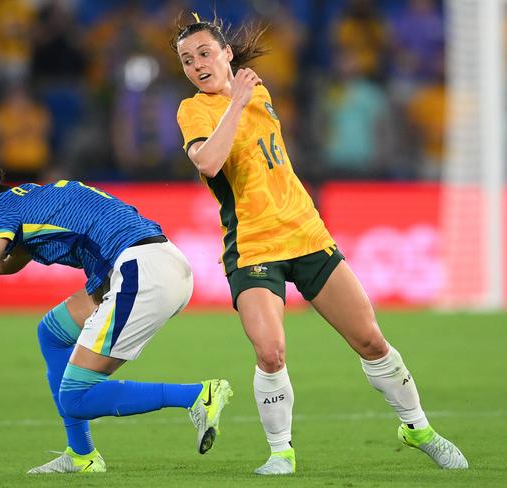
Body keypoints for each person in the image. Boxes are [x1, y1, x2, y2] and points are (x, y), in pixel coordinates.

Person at [171, 14, 467, 475]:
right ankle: (280, 453)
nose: (196, 65)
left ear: (227, 54)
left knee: (370, 340)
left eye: (204, 53)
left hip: (306, 233)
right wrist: (237, 101)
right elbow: (209, 163)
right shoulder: (194, 110)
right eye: (187, 61)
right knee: (270, 351)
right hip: (252, 244)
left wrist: (245, 96)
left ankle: (417, 429)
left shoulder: (261, 94)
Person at [0, 159, 233, 474]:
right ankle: (81, 456)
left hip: (141, 273)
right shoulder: (34, 197)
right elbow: (10, 264)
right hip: (157, 262)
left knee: (75, 398)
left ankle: (198, 396)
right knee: (52, 332)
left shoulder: (6, 213)